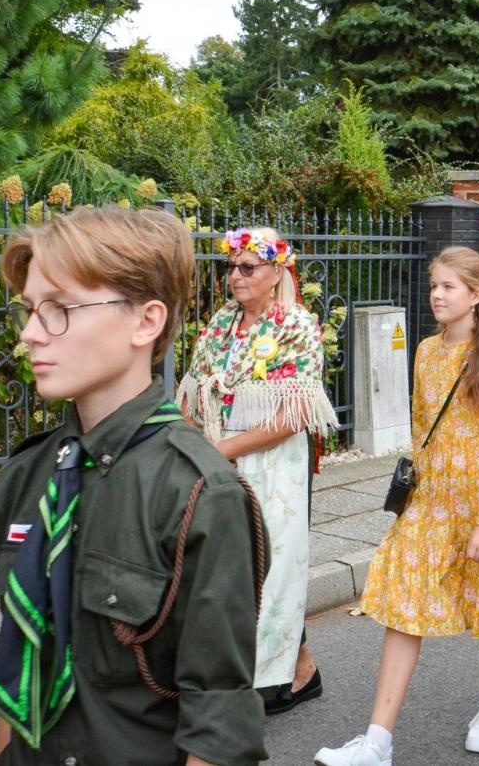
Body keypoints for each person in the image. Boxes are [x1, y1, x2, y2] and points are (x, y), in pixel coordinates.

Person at [0, 206, 266, 766]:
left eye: (59, 309)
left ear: (146, 322)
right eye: (29, 310)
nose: (30, 333)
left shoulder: (198, 492)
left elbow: (218, 716)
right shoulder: (27, 476)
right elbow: (21, 655)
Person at [316, 248, 479, 766]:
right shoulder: (426, 352)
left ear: (476, 295)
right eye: (434, 285)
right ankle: (377, 743)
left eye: (448, 287)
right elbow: (422, 433)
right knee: (403, 607)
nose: (437, 295)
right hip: (431, 505)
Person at [176, 228, 337, 713]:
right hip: (216, 462)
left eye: (248, 267)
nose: (236, 276)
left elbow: (293, 418)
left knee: (269, 570)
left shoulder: (298, 326)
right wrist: (191, 445)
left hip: (272, 467)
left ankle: (259, 677)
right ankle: (292, 669)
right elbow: (192, 391)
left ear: (276, 273)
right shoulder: (221, 322)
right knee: (223, 568)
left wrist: (220, 449)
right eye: (232, 267)